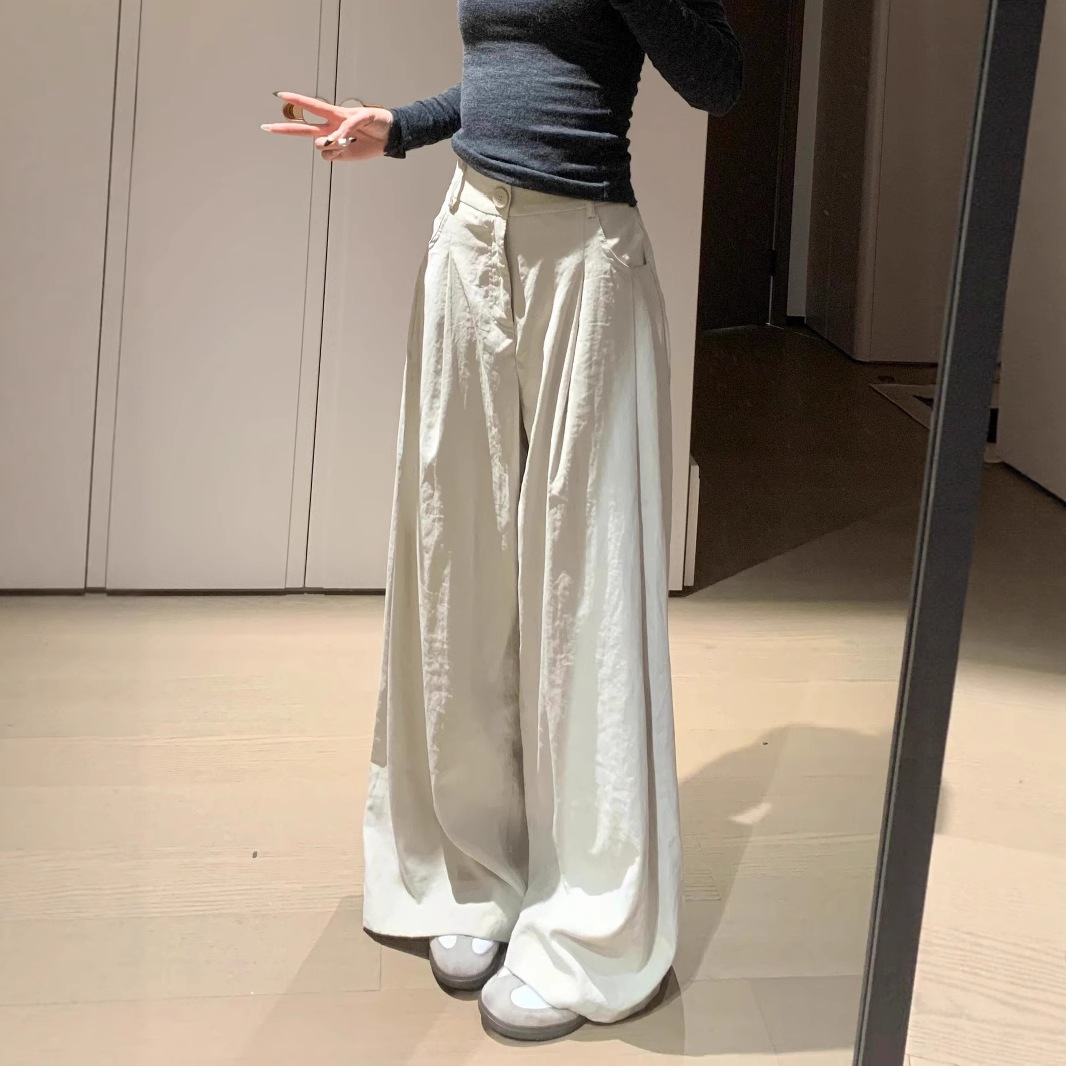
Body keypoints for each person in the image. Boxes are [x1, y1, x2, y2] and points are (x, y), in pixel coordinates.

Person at [263, 0, 742, 1042]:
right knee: (459, 569)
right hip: (470, 229)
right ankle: (473, 869)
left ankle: (587, 921)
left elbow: (719, 78)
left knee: (583, 591)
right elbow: (504, 65)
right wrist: (401, 126)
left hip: (586, 252)